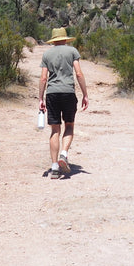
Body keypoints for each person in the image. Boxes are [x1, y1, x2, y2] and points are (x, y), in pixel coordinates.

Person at [39, 27, 89, 178]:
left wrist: (41, 98)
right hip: (68, 92)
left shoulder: (47, 54)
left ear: (53, 40)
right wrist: (85, 94)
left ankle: (54, 168)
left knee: (55, 130)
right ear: (65, 39)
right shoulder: (72, 51)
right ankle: (64, 154)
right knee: (69, 125)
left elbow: (43, 78)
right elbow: (79, 73)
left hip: (52, 94)